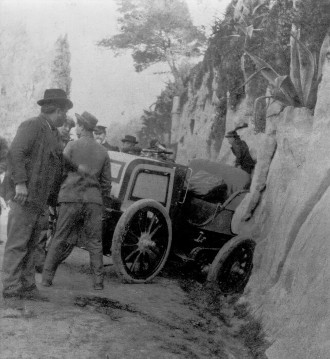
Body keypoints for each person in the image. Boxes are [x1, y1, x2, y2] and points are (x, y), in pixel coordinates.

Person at [1, 88, 72, 307]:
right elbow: (16, 153)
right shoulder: (33, 125)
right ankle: (11, 288)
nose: (65, 117)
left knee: (33, 245)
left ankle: (27, 285)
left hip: (39, 200)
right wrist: (21, 184)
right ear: (57, 110)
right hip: (24, 197)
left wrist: (80, 169)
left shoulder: (52, 132)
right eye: (65, 112)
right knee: (18, 243)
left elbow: (59, 162)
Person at [42, 111, 112, 291]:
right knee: (95, 242)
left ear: (81, 126)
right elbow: (106, 184)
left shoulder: (71, 146)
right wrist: (101, 203)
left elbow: (60, 171)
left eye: (78, 126)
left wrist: (56, 195)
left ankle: (47, 279)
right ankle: (98, 283)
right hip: (93, 201)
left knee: (59, 238)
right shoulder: (103, 152)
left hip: (70, 197)